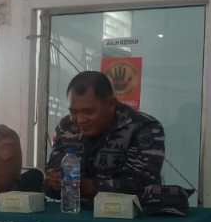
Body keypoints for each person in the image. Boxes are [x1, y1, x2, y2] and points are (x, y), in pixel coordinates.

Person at [44, 71, 165, 199]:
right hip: (75, 209)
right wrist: (54, 183)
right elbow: (54, 178)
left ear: (111, 104)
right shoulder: (67, 126)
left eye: (88, 112)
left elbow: (143, 186)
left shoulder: (143, 127)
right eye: (73, 112)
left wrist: (87, 187)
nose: (80, 120)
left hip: (126, 211)